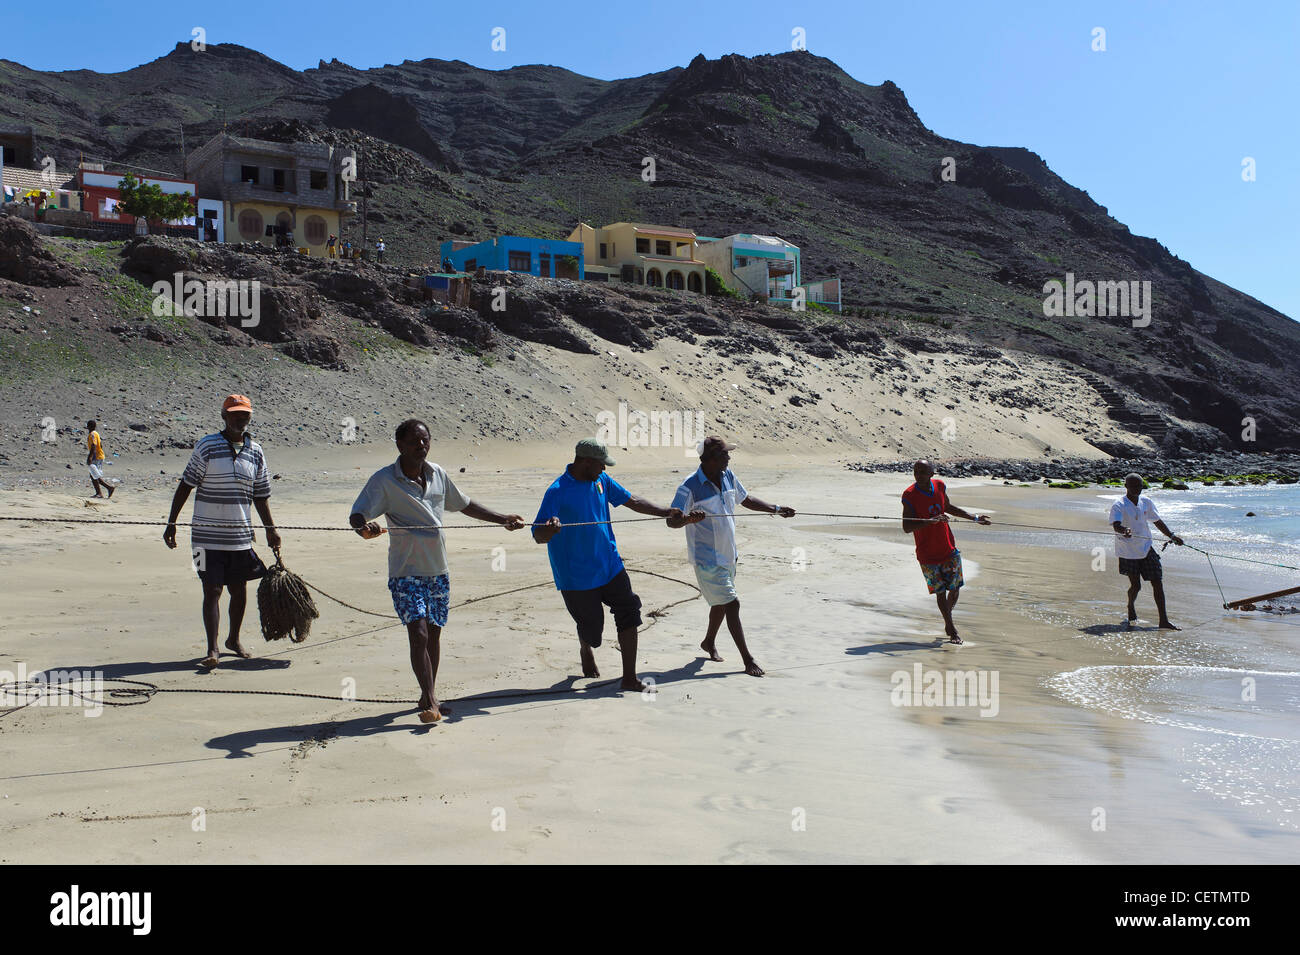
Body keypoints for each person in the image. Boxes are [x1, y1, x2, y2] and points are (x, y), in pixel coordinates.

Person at [350, 419, 525, 723]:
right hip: (405, 571)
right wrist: (365, 528)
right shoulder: (384, 481)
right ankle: (431, 701)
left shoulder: (438, 474)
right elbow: (358, 515)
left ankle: (426, 692)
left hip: (438, 570)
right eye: (415, 441)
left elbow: (465, 505)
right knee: (417, 632)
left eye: (426, 440)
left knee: (433, 634)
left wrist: (503, 519)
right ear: (399, 445)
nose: (422, 446)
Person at [532, 438, 689, 691]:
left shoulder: (601, 481)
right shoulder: (557, 491)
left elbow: (632, 500)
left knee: (629, 611)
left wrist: (664, 512)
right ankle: (586, 646)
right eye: (601, 465)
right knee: (593, 632)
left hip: (610, 564)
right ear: (585, 462)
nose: (604, 469)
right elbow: (538, 535)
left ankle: (629, 678)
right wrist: (549, 530)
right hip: (576, 575)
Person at [163, 394, 280, 669]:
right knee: (212, 589)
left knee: (239, 590)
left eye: (245, 414)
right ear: (224, 416)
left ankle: (233, 640)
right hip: (204, 536)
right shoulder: (207, 446)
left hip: (240, 536)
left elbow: (261, 495)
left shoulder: (256, 451)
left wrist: (270, 530)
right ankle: (213, 649)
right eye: (235, 414)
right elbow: (186, 485)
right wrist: (172, 523)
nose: (241, 418)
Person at [666, 436, 792, 676]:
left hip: (729, 554)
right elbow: (672, 521)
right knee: (732, 604)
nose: (729, 457)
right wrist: (689, 519)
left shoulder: (728, 475)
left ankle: (708, 642)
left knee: (721, 604)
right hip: (707, 559)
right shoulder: (689, 486)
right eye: (725, 454)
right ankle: (748, 660)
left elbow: (746, 500)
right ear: (711, 458)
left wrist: (776, 509)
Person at [900, 459, 990, 644]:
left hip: (948, 547)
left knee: (955, 588)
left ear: (932, 473)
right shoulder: (909, 495)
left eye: (923, 472)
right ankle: (951, 627)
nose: (919, 475)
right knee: (940, 592)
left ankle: (947, 617)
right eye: (916, 471)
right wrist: (930, 521)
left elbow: (948, 507)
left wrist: (974, 518)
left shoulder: (940, 486)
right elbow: (907, 527)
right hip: (927, 554)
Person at [1110, 472, 1184, 630]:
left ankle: (1163, 620)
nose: (1138, 489)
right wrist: (1124, 530)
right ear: (1126, 487)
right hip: (1128, 550)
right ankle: (1131, 606)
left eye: (1140, 486)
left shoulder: (1146, 502)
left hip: (1146, 547)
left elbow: (1157, 521)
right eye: (1134, 486)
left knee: (1158, 581)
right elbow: (1116, 524)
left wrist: (1171, 535)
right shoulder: (1119, 504)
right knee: (1136, 586)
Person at [85, 419, 116, 498]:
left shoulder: (92, 434)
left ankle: (102, 491)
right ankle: (107, 489)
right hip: (99, 455)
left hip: (96, 457)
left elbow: (94, 445)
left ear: (88, 426)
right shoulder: (96, 433)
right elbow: (101, 445)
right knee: (94, 474)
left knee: (94, 475)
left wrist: (90, 457)